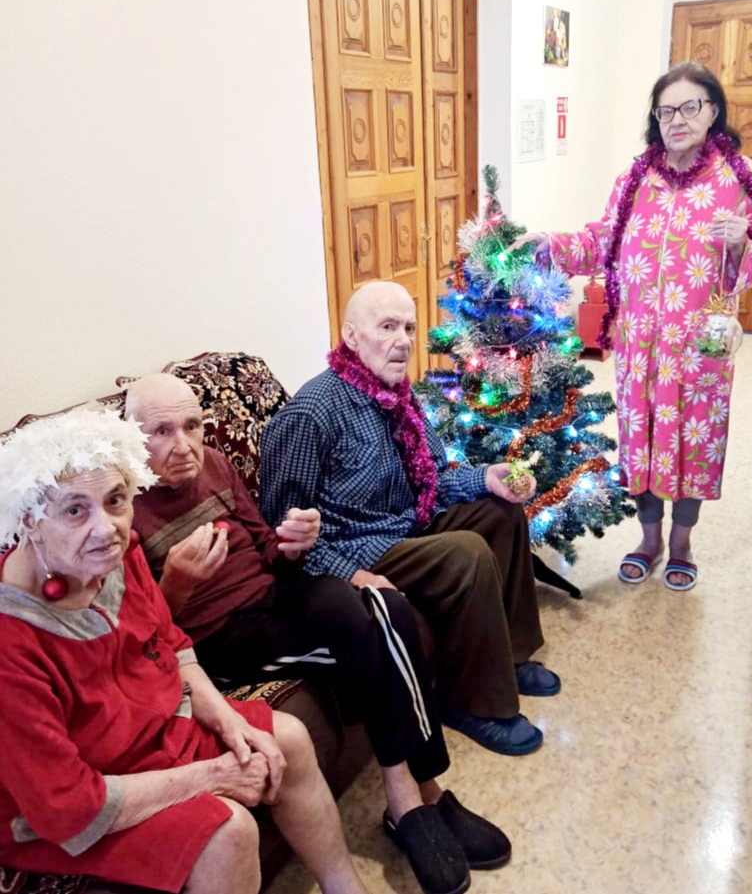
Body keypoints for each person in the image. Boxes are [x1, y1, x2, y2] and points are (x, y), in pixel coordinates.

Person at [125, 373, 511, 894]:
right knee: (378, 636)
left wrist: (291, 543)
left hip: (271, 595)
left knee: (388, 606)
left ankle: (419, 791)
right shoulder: (124, 508)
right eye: (161, 432)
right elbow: (143, 636)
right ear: (130, 437)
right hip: (220, 635)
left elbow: (266, 547)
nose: (184, 445)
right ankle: (417, 797)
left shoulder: (213, 463)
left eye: (192, 426)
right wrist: (175, 584)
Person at [0, 408, 369, 894]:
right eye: (74, 510)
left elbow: (171, 643)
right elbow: (66, 806)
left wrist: (228, 720)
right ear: (30, 519)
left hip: (152, 732)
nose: (106, 528)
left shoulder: (117, 553)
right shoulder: (10, 641)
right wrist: (213, 775)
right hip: (72, 798)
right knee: (229, 832)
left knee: (291, 739)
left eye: (115, 500)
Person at [259, 281, 561, 760]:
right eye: (387, 327)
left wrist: (487, 477)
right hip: (359, 548)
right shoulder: (311, 413)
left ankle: (511, 654)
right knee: (466, 552)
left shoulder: (399, 395)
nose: (402, 341)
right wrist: (350, 574)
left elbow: (434, 480)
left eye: (409, 328)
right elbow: (280, 534)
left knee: (500, 512)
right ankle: (471, 702)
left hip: (409, 525)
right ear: (351, 337)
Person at [515, 60, 752, 591]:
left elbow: (750, 267)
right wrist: (551, 244)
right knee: (641, 440)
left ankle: (682, 542)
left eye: (690, 107)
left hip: (698, 349)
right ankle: (650, 540)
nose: (677, 120)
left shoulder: (738, 179)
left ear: (713, 111)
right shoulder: (636, 179)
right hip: (639, 345)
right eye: (666, 111)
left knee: (693, 443)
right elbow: (601, 241)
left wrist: (742, 243)